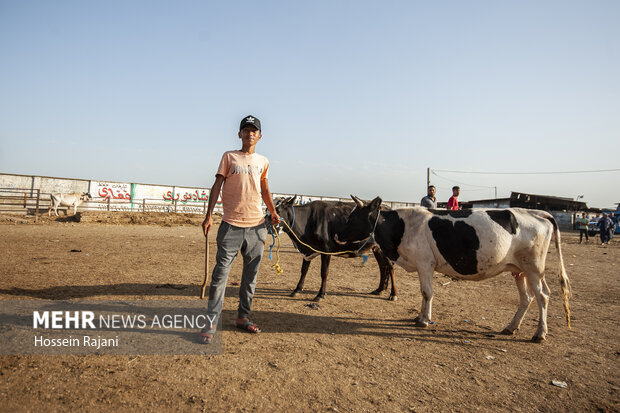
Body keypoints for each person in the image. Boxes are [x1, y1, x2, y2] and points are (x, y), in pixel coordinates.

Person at [199, 115, 280, 344]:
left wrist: (272, 212)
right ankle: (211, 321)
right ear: (239, 134)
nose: (249, 133)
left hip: (257, 228)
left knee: (250, 276)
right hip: (230, 226)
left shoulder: (263, 161)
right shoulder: (229, 157)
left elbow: (265, 189)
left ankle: (243, 316)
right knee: (220, 275)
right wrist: (208, 216)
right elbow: (217, 186)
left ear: (260, 136)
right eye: (245, 129)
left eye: (254, 130)